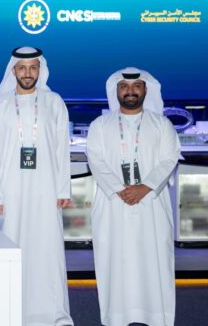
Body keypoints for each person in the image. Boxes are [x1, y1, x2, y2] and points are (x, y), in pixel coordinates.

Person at [86, 68, 180, 326]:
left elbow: (169, 158)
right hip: (112, 205)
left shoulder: (162, 125)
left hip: (151, 205)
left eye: (136, 86)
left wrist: (145, 187)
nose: (130, 91)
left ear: (146, 90)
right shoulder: (100, 125)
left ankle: (156, 317)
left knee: (154, 261)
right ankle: (116, 316)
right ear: (116, 91)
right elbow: (95, 159)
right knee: (115, 261)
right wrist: (119, 188)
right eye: (124, 87)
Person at [0, 47, 73, 325]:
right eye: (22, 68)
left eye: (33, 67)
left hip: (46, 189)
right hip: (10, 191)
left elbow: (61, 148)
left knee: (48, 250)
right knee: (13, 246)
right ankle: (14, 312)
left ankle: (54, 314)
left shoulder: (54, 102)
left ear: (40, 70)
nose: (28, 73)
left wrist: (63, 189)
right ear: (13, 70)